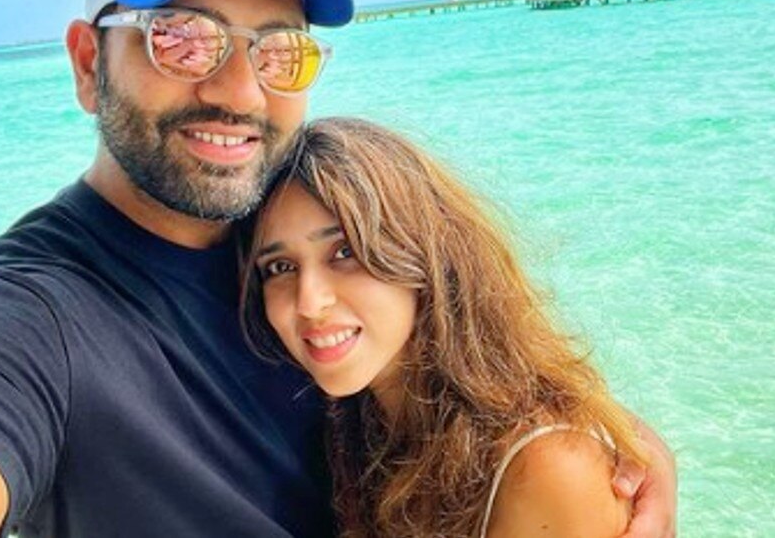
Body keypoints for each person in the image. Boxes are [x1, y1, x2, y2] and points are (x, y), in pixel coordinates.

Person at [0, 0, 676, 537]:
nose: (241, 91)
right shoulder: (23, 324)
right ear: (89, 64)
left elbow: (461, 352)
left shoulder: (286, 222)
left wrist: (589, 452)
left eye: (278, 49)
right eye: (180, 37)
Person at [244, 117, 650, 537]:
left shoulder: (546, 466)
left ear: (424, 253)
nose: (309, 303)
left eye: (345, 251)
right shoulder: (359, 428)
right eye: (280, 267)